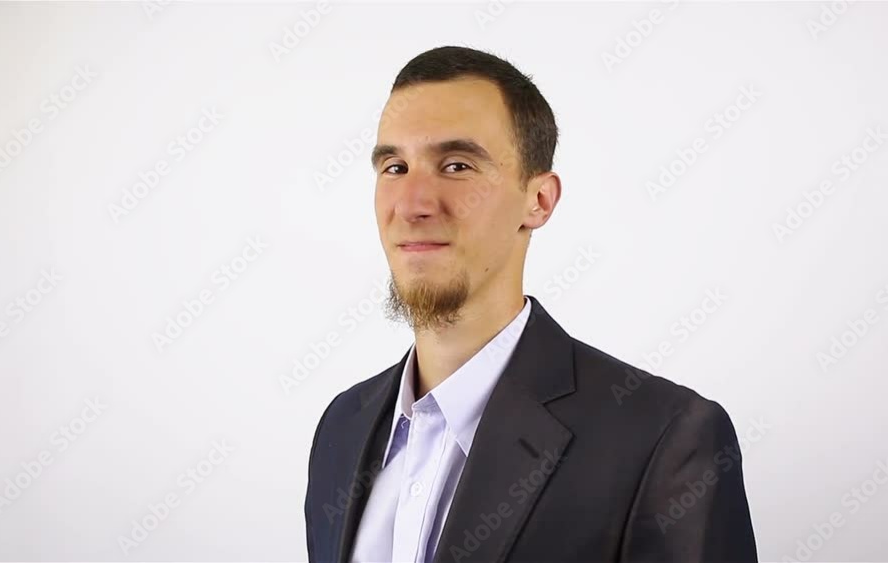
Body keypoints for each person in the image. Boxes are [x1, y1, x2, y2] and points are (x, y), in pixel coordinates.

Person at [304, 45, 757, 563]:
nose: (411, 204)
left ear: (538, 201)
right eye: (394, 166)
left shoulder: (665, 439)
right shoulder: (342, 427)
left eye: (456, 165)